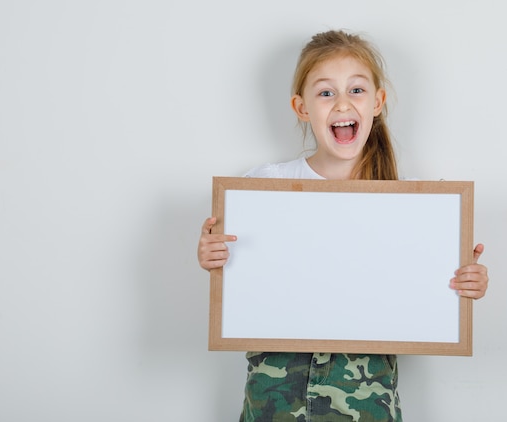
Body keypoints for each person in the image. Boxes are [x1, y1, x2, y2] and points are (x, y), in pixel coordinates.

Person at [197, 29, 489, 422]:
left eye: (356, 90)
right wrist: (213, 256)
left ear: (377, 102)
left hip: (366, 404)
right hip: (275, 401)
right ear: (301, 108)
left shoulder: (412, 210)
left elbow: (425, 296)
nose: (341, 104)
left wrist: (464, 281)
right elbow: (235, 270)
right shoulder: (264, 185)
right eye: (325, 93)